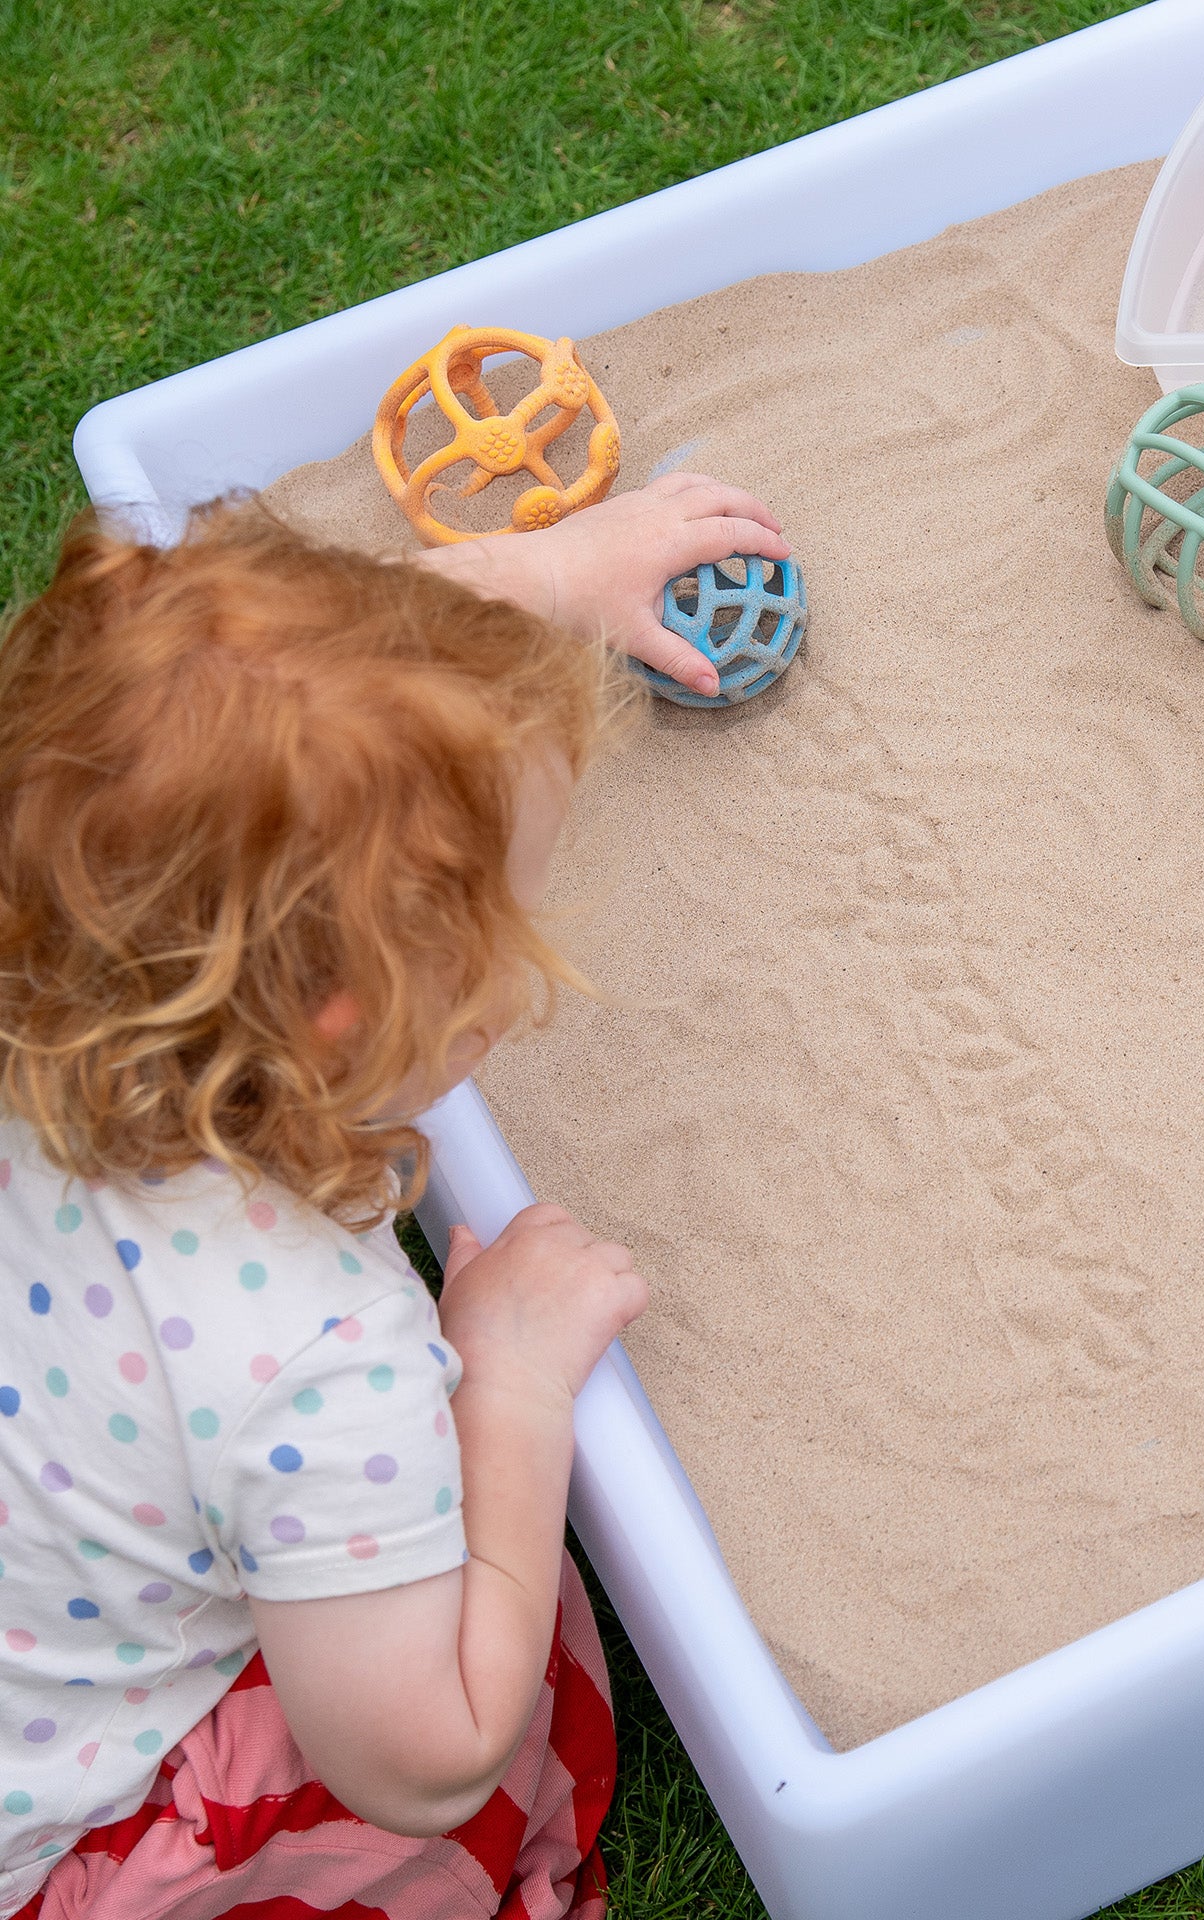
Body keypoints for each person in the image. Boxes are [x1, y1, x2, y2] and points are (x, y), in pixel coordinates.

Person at [0, 472, 790, 1918]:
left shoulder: (54, 911)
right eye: (515, 916)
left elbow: (279, 709)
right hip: (62, 1840)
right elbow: (427, 1758)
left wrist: (549, 579)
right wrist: (509, 1385)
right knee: (468, 1677)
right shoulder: (317, 1362)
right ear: (353, 1022)